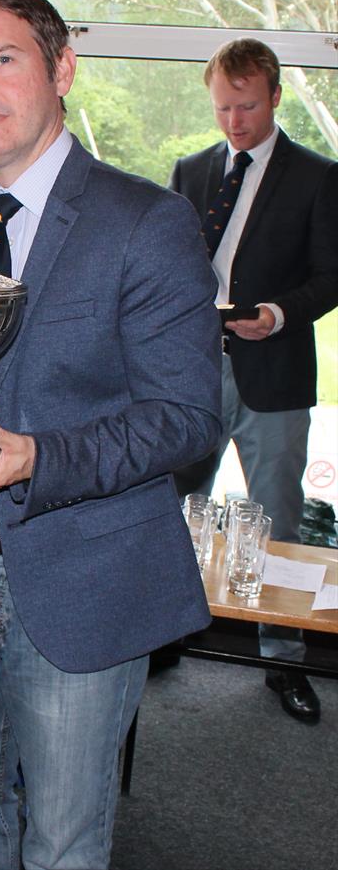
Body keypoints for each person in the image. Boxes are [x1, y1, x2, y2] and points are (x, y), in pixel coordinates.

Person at [0, 0, 220, 870]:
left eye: (2, 59)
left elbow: (187, 418)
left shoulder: (148, 220)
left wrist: (38, 458)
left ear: (62, 67)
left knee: (64, 838)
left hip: (83, 567)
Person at [171, 38, 338, 725]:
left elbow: (331, 276)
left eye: (245, 106)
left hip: (273, 372)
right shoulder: (190, 170)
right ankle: (165, 632)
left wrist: (275, 313)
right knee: (177, 507)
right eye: (222, 108)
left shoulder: (318, 177)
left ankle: (283, 659)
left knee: (276, 519)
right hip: (193, 367)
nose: (234, 122)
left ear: (273, 96)